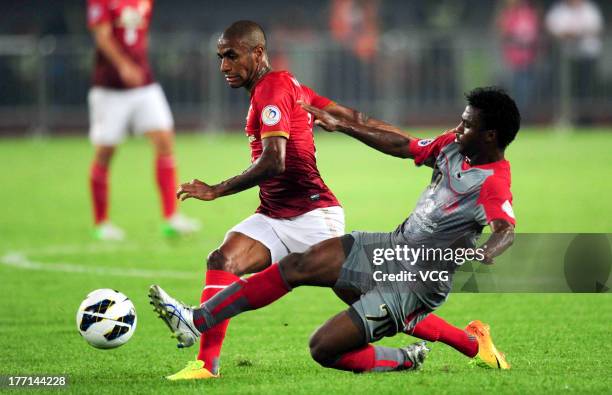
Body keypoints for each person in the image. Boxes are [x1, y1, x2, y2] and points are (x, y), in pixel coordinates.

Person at [150, 86, 519, 374]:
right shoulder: (454, 146)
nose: (458, 128)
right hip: (393, 247)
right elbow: (402, 145)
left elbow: (505, 228)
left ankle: (407, 359)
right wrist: (344, 126)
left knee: (323, 348)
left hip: (417, 283)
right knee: (300, 264)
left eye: (467, 124)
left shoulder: (494, 181)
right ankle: (196, 320)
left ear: (491, 136)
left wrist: (489, 250)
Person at [87, 0, 199, 240]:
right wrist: (124, 65)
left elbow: (140, 36)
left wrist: (138, 64)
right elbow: (103, 37)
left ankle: (171, 218)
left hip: (144, 84)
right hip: (109, 88)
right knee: (105, 152)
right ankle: (101, 223)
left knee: (165, 140)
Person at [545, 0, 604, 124]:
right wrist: (568, 34)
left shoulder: (589, 8)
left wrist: (579, 33)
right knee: (565, 91)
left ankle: (586, 120)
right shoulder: (559, 9)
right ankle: (566, 118)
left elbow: (597, 28)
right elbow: (551, 28)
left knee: (586, 89)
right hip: (566, 59)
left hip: (587, 57)